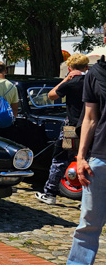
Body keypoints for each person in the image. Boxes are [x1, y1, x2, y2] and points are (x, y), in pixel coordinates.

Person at [52, 54, 106, 265]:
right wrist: (81, 156)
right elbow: (90, 117)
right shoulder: (96, 73)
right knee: (89, 221)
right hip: (101, 157)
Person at [36, 54, 90, 205]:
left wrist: (66, 79)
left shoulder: (70, 83)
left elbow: (51, 95)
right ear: (86, 67)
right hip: (90, 127)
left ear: (69, 68)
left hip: (71, 128)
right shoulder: (91, 81)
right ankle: (87, 199)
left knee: (61, 158)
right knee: (89, 160)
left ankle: (50, 193)